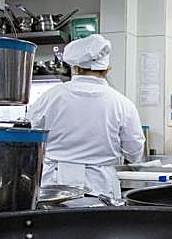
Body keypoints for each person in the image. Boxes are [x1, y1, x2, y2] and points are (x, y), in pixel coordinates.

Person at [27, 34, 145, 199]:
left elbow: (29, 138)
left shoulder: (50, 97)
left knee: (55, 217)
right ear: (107, 69)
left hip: (54, 186)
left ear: (76, 67)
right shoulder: (122, 104)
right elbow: (134, 153)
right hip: (100, 187)